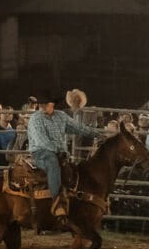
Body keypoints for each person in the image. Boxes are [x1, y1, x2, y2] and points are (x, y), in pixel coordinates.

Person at [27, 92, 103, 223]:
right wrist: (59, 151)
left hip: (58, 153)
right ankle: (57, 203)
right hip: (41, 152)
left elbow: (78, 128)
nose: (43, 106)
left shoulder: (61, 116)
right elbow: (41, 141)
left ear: (53, 105)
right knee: (52, 162)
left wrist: (97, 134)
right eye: (41, 104)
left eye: (46, 103)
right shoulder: (36, 118)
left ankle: (74, 202)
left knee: (72, 170)